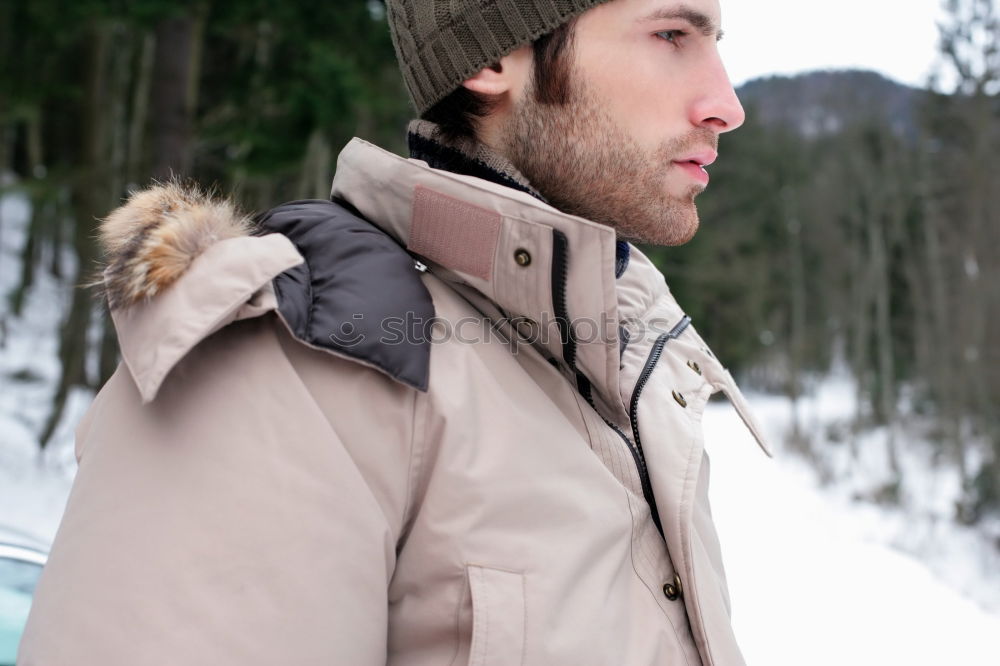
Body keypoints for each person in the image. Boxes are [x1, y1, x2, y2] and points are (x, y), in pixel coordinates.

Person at [19, 0, 772, 664]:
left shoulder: (624, 376)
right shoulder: (299, 361)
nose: (725, 104)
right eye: (672, 33)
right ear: (490, 57)